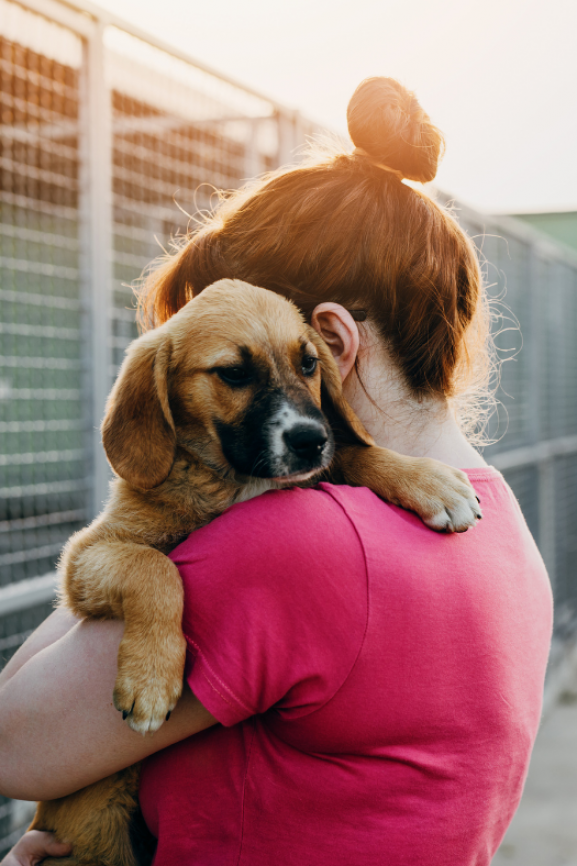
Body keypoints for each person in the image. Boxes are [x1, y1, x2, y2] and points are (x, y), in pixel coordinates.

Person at [0, 77, 552, 866]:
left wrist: (152, 518)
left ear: (327, 341)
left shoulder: (292, 545)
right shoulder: (499, 525)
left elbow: (14, 742)